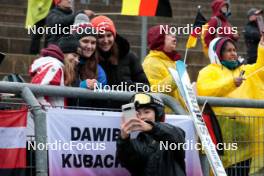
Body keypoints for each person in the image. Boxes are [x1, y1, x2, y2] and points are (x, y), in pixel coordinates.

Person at [196, 36, 264, 175]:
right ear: (218, 53)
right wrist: (231, 83)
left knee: (242, 171)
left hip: (245, 137)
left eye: (234, 50)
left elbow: (261, 69)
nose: (233, 53)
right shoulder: (208, 71)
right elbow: (205, 89)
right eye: (228, 50)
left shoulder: (244, 69)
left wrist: (262, 46)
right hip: (222, 135)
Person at [116, 93, 186, 176]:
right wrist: (123, 139)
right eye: (138, 113)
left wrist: (152, 127)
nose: (142, 117)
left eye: (147, 112)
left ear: (158, 114)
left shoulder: (172, 133)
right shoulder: (136, 143)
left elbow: (177, 137)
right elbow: (126, 161)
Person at [91, 15, 149, 90]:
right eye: (100, 36)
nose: (106, 40)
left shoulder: (129, 56)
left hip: (127, 101)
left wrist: (129, 86)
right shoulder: (89, 58)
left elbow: (146, 86)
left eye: (109, 35)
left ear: (114, 36)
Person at [142, 25, 186, 112]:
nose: (174, 35)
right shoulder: (150, 62)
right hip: (165, 117)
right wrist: (175, 77)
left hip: (178, 114)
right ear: (159, 39)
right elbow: (153, 91)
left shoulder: (174, 62)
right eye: (169, 34)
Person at [29, 35, 80, 107]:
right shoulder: (55, 66)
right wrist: (49, 111)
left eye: (78, 57)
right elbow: (37, 92)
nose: (77, 60)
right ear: (64, 54)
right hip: (45, 116)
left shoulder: (56, 66)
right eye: (74, 55)